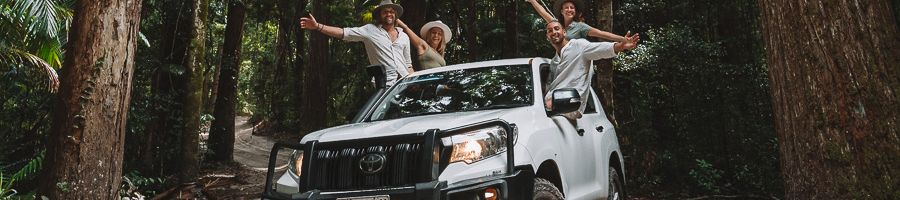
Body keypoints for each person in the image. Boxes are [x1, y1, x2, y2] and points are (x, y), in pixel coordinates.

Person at [299, 0, 413, 86]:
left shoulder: (404, 36)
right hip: (385, 86)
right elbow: (343, 33)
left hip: (405, 83)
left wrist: (414, 82)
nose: (389, 14)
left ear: (396, 15)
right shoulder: (370, 30)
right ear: (379, 15)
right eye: (385, 12)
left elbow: (408, 64)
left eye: (392, 12)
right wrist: (317, 26)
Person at [543, 20, 639, 120]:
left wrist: (620, 46)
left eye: (556, 28)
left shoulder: (579, 46)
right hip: (549, 107)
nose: (553, 32)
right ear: (547, 36)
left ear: (564, 32)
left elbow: (601, 49)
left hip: (568, 107)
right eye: (550, 30)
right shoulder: (554, 61)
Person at [526, 0, 625, 42]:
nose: (569, 9)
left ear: (575, 11)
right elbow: (542, 12)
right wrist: (532, 1)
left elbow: (602, 34)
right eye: (566, 8)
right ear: (561, 11)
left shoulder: (581, 26)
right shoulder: (557, 25)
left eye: (572, 8)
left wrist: (623, 39)